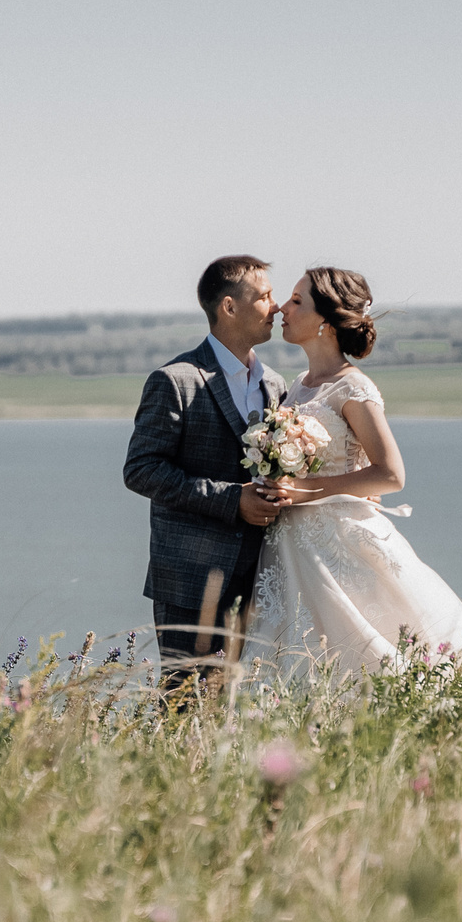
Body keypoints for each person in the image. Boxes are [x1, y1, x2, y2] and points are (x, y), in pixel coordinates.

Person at [249, 267, 462, 672]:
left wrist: (306, 490)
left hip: (340, 546)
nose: (282, 308)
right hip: (290, 547)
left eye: (297, 301)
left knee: (365, 654)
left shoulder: (353, 388)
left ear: (327, 321)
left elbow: (391, 475)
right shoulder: (298, 385)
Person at [123, 255, 289, 698]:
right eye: (264, 296)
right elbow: (140, 470)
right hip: (190, 579)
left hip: (260, 579)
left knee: (239, 708)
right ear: (229, 307)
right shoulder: (175, 380)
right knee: (183, 708)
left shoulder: (274, 384)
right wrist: (232, 500)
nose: (275, 306)